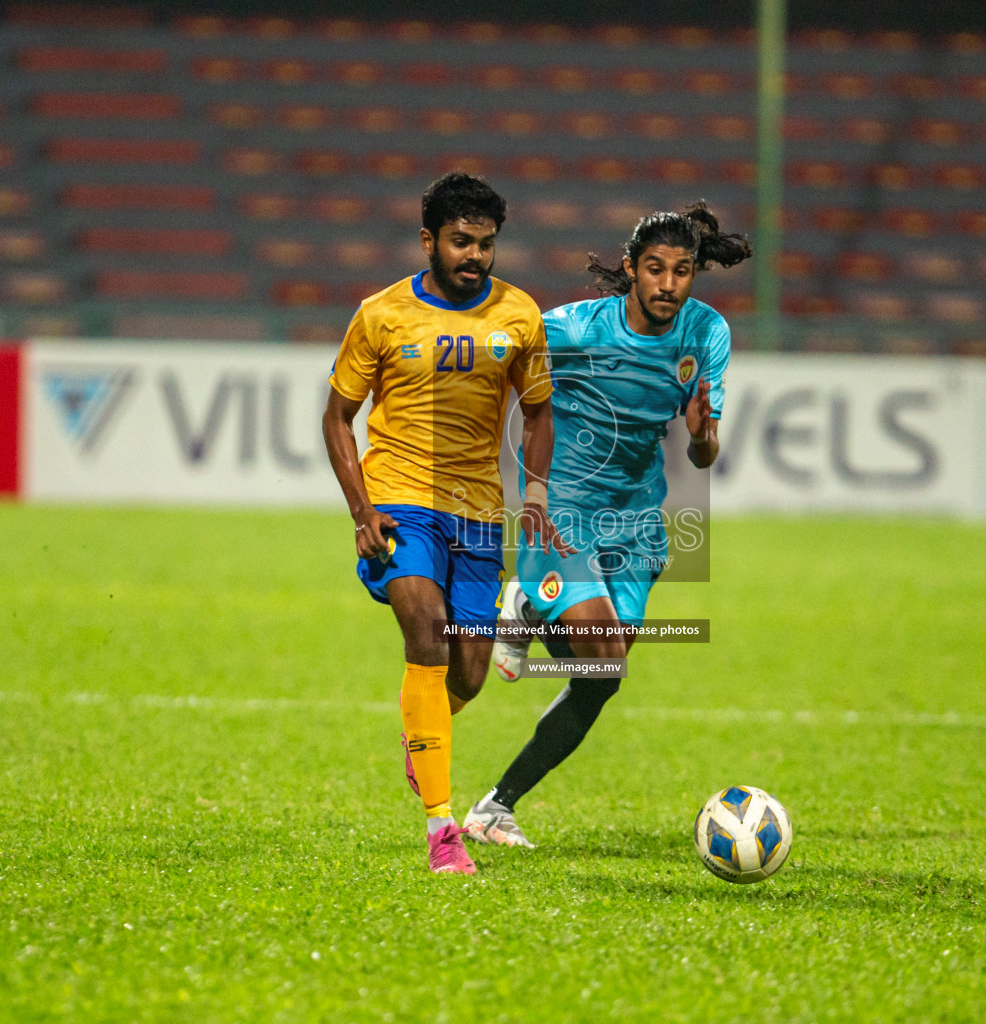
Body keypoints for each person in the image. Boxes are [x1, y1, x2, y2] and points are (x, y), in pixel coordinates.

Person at [461, 202, 752, 848]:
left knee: (603, 678)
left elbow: (704, 452)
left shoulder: (706, 335)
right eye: (654, 269)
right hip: (561, 509)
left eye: (682, 271)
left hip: (636, 518)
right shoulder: (574, 329)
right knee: (599, 654)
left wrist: (704, 435)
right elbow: (500, 360)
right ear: (631, 269)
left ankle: (493, 809)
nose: (668, 284)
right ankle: (528, 600)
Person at [322, 171, 569, 874]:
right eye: (461, 242)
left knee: (468, 670)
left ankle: (422, 733)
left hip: (479, 513)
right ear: (429, 240)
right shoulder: (382, 314)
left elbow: (541, 407)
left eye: (486, 245)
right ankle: (442, 831)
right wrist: (362, 511)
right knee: (426, 633)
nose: (475, 256)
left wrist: (538, 492)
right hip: (400, 498)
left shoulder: (519, 316)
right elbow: (337, 416)